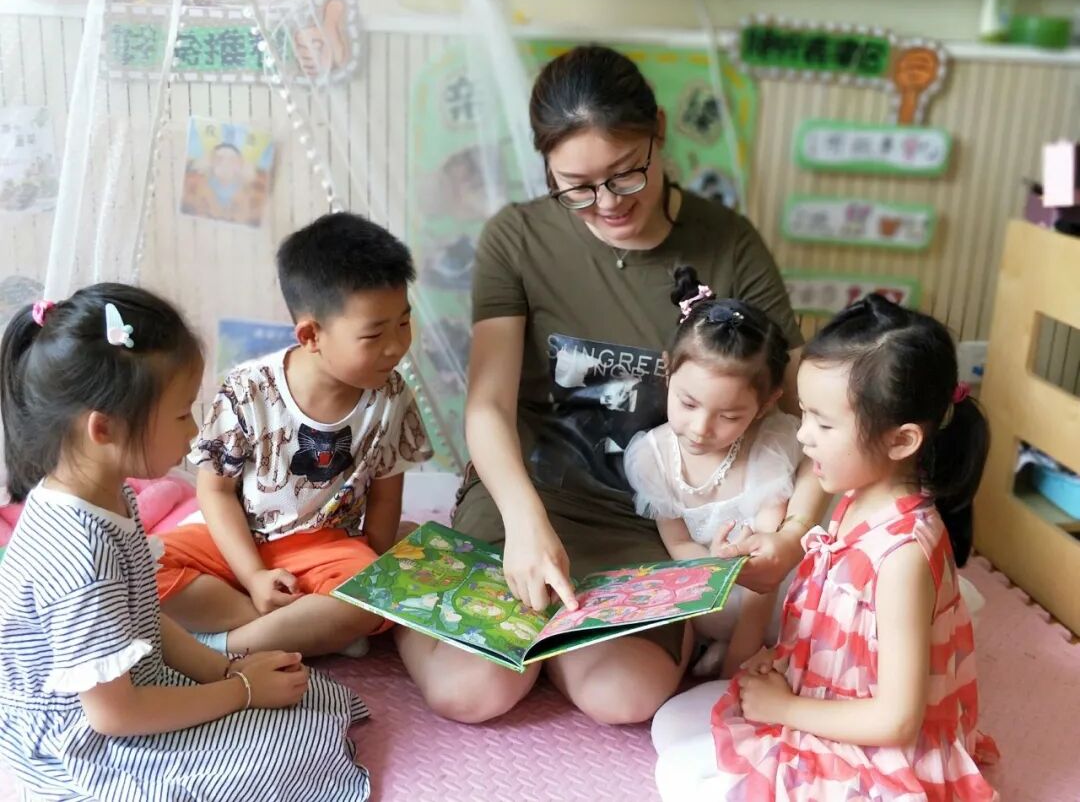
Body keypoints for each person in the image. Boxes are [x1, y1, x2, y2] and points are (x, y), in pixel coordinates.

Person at [396, 44, 824, 725]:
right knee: (469, 692)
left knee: (624, 697)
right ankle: (447, 628)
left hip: (653, 519)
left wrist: (795, 530)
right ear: (545, 164)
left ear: (658, 132)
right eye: (576, 186)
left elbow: (808, 410)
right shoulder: (518, 238)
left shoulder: (728, 244)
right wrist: (525, 524)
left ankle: (555, 645)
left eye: (626, 175)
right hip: (527, 497)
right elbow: (488, 406)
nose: (606, 204)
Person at [0, 285, 371, 800]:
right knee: (284, 753)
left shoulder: (106, 493)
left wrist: (226, 670)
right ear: (103, 429)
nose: (195, 432)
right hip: (86, 740)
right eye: (181, 414)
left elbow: (144, 618)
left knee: (302, 700)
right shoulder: (80, 556)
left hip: (132, 688)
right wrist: (241, 692)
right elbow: (113, 715)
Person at [652, 294, 999, 800]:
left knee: (684, 774)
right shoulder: (855, 499)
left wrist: (786, 708)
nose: (803, 436)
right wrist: (785, 664)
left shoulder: (903, 555)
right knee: (674, 725)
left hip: (882, 752)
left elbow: (897, 721)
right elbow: (842, 631)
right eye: (804, 415)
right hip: (827, 699)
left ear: (900, 441)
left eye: (823, 423)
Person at [156, 212, 432, 657]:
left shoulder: (392, 396)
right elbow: (215, 492)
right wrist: (253, 577)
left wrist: (371, 571)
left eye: (404, 323)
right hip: (239, 540)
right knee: (142, 564)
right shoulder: (249, 389)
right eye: (374, 334)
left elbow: (385, 498)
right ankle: (296, 624)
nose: (397, 346)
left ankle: (226, 644)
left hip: (324, 546)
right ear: (310, 335)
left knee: (374, 594)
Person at [624, 267, 801, 679]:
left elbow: (768, 561)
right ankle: (724, 640)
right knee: (693, 605)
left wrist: (740, 655)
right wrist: (716, 566)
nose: (701, 428)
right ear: (668, 371)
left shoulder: (770, 447)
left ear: (765, 404)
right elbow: (678, 542)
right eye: (688, 403)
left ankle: (760, 649)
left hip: (774, 581)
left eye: (729, 416)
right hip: (713, 572)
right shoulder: (652, 456)